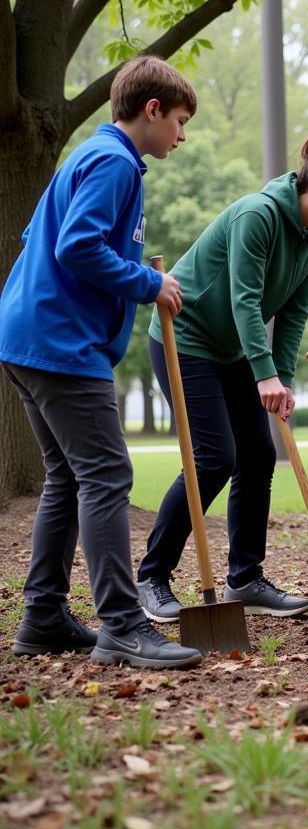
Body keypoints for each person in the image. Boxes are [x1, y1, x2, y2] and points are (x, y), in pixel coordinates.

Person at [1, 55, 201, 669]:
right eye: (179, 121)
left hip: (27, 337)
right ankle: (120, 624)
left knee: (68, 477)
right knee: (107, 476)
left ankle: (42, 618)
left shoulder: (88, 157)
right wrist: (148, 284)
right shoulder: (115, 163)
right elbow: (75, 245)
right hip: (61, 346)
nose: (181, 135)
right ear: (151, 111)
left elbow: (40, 240)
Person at [135, 134, 308, 622]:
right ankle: (152, 578)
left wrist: (279, 379)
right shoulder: (257, 215)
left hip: (233, 349)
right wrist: (262, 373)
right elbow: (245, 298)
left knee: (260, 453)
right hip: (186, 339)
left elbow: (293, 312)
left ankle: (244, 578)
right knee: (214, 458)